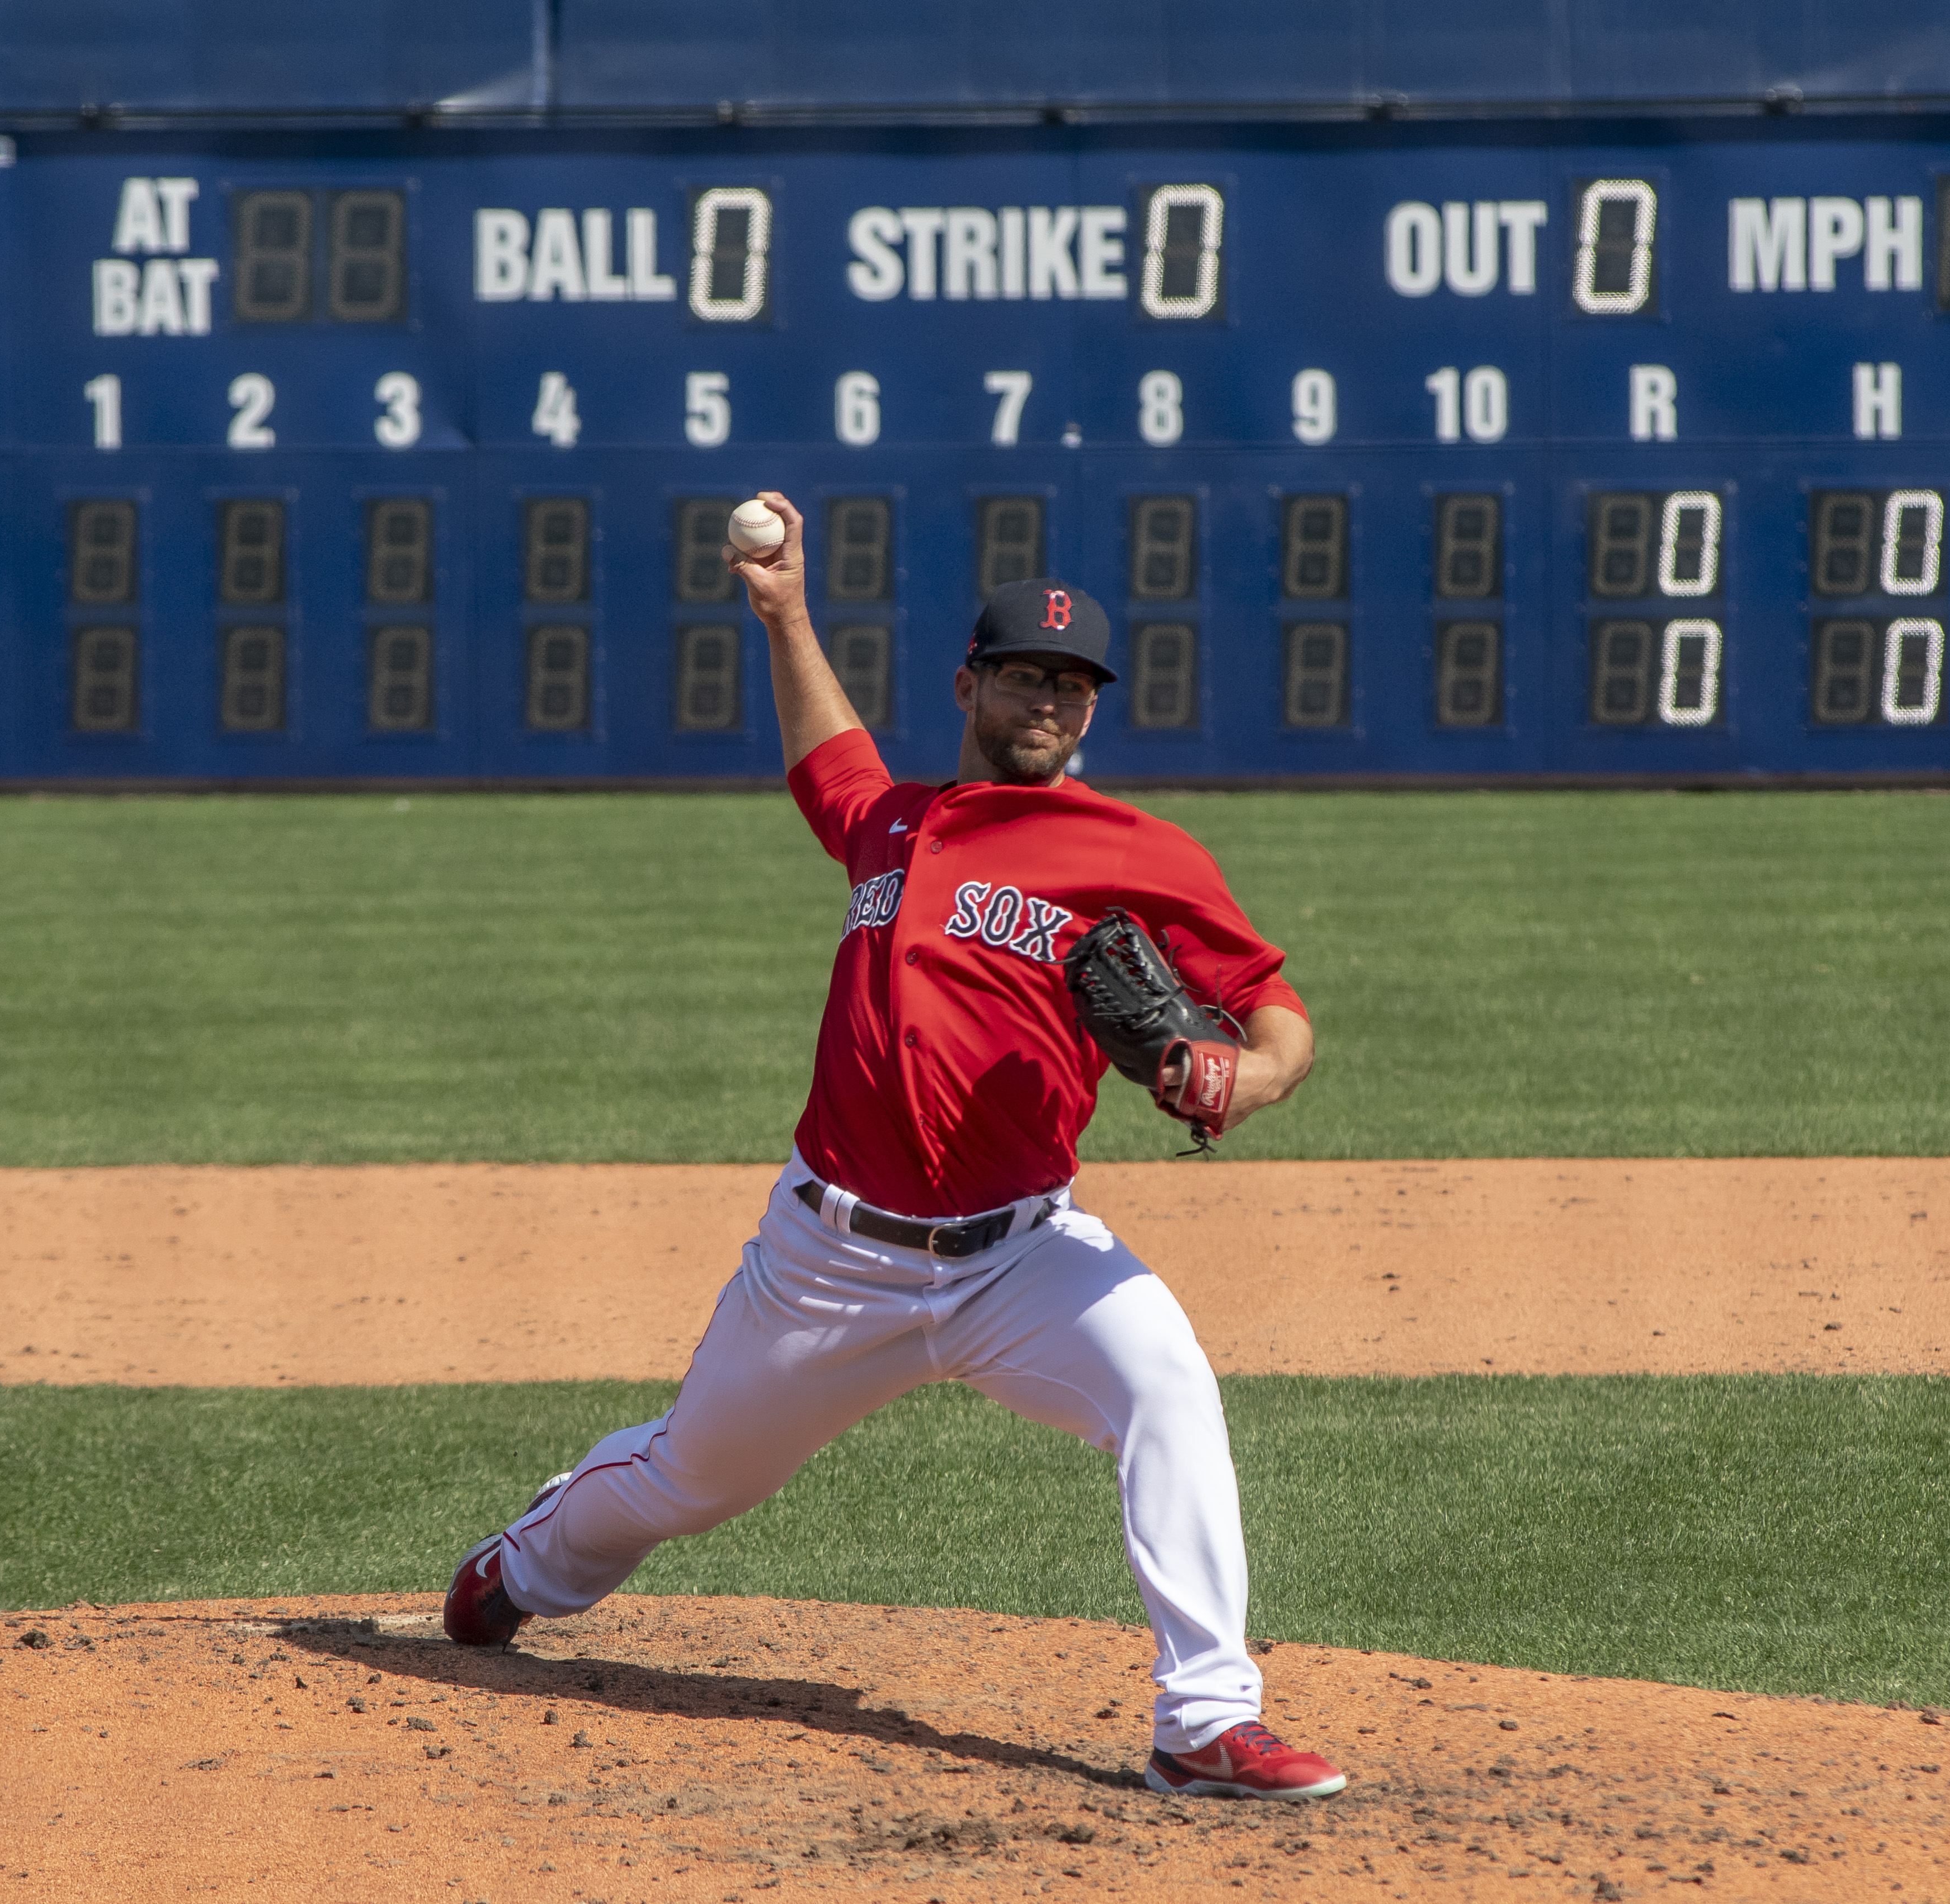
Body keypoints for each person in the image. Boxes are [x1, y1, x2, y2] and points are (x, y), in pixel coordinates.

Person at [444, 490, 1344, 1802]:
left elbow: (1277, 1011)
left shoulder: (1133, 848)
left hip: (1021, 1257)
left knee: (1168, 1385)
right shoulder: (892, 820)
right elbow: (829, 755)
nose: (1052, 698)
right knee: (693, 1476)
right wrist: (786, 611)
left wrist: (1244, 1077)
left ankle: (1205, 1718)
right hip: (828, 1263)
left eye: (1075, 683)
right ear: (971, 683)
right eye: (1028, 674)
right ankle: (521, 1567)